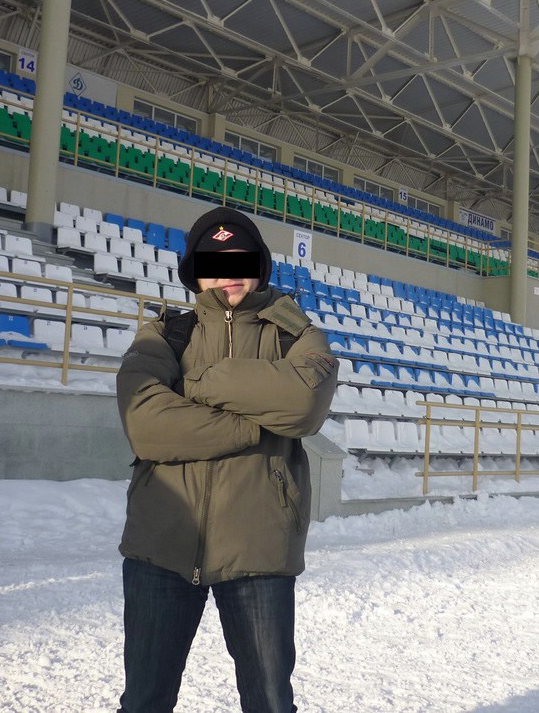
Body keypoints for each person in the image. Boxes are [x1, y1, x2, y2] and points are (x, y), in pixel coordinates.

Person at [115, 207, 338, 713]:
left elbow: (304, 404)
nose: (228, 273)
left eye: (240, 260)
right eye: (214, 263)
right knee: (144, 702)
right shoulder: (164, 334)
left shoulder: (295, 334)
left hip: (259, 545)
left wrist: (194, 384)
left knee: (270, 702)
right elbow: (146, 424)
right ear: (195, 272)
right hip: (161, 543)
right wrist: (255, 424)